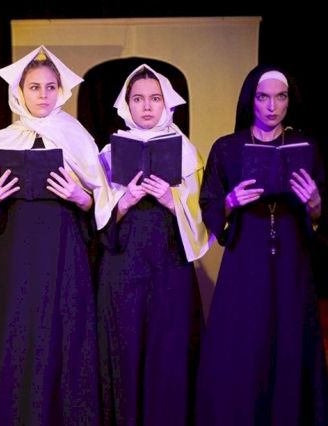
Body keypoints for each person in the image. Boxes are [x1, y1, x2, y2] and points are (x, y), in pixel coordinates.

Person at [0, 45, 112, 424]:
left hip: (63, 253)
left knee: (62, 337)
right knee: (16, 336)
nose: (43, 95)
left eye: (50, 87)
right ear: (20, 91)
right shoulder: (1, 140)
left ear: (60, 90)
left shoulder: (76, 136)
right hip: (13, 255)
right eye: (34, 87)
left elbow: (101, 204)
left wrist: (80, 197)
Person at [197, 64, 328, 425]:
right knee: (242, 344)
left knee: (290, 341)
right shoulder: (227, 148)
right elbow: (209, 204)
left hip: (291, 262)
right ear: (250, 100)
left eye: (280, 97)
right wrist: (230, 202)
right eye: (263, 97)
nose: (272, 106)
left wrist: (315, 204)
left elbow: (320, 214)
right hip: (245, 259)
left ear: (289, 101)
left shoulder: (307, 148)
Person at [97, 64, 210, 425]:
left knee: (168, 355)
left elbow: (201, 217)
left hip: (169, 268)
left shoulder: (187, 152)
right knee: (125, 353)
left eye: (155, 98)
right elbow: (96, 222)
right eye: (138, 99)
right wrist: (125, 202)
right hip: (123, 269)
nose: (146, 106)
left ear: (167, 103)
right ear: (126, 104)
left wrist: (170, 199)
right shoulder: (108, 153)